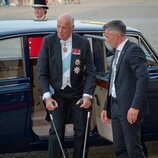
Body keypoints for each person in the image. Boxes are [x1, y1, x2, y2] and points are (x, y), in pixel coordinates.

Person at [37, 13, 96, 158]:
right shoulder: (48, 41)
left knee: (81, 130)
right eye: (58, 26)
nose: (60, 30)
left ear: (72, 28)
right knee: (56, 130)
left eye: (64, 28)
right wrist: (47, 97)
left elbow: (90, 72)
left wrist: (87, 95)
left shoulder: (82, 43)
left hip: (77, 93)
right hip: (56, 93)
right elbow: (42, 72)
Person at [101, 20, 149, 158]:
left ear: (116, 35)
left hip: (129, 109)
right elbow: (114, 82)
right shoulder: (117, 51)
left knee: (133, 149)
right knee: (120, 148)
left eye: (107, 36)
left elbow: (143, 78)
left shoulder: (133, 50)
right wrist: (106, 106)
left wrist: (135, 106)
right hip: (115, 107)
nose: (106, 39)